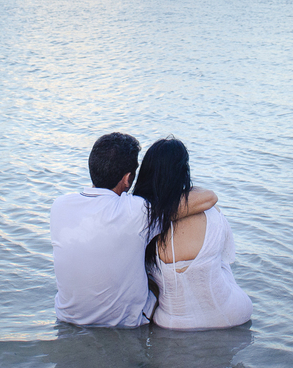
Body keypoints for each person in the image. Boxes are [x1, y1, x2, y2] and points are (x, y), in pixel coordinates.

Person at [51, 132, 218, 327]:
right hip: (124, 325)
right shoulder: (137, 210)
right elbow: (209, 198)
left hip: (67, 319)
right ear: (127, 178)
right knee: (154, 277)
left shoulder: (60, 206)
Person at [132, 137, 252, 329]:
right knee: (221, 265)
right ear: (184, 172)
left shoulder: (138, 219)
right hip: (234, 316)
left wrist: (160, 215)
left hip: (173, 324)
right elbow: (227, 257)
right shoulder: (211, 212)